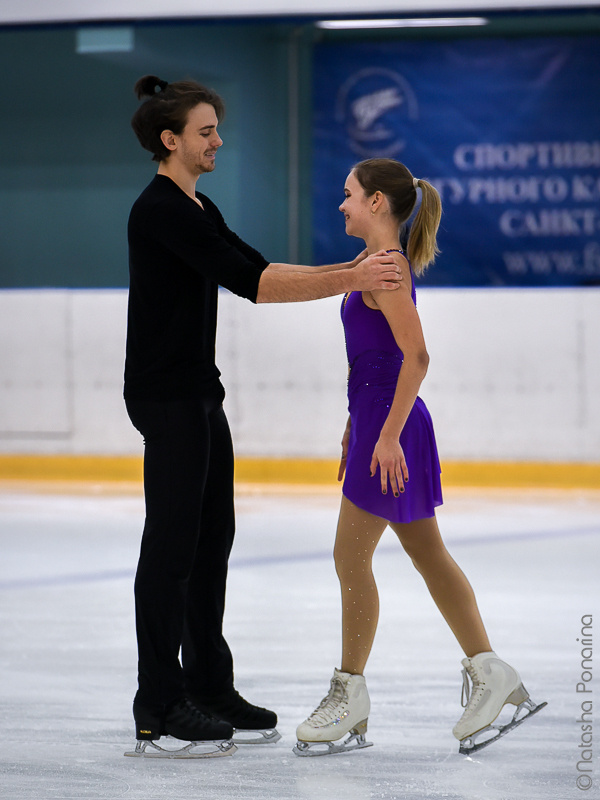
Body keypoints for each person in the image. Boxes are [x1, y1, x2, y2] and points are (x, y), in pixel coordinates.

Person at [123, 76, 402, 758]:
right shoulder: (160, 209)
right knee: (172, 547)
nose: (218, 140)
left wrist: (353, 265)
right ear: (171, 140)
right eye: (205, 131)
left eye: (217, 128)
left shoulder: (198, 205)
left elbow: (256, 262)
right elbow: (254, 286)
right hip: (165, 394)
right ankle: (158, 701)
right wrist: (353, 278)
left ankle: (209, 686)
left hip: (198, 391)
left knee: (212, 539)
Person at [293, 158, 546, 757]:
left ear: (378, 202)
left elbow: (417, 357)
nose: (342, 204)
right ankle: (491, 672)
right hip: (382, 425)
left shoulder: (386, 270)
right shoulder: (367, 264)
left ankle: (348, 693)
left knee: (350, 558)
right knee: (427, 553)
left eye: (349, 194)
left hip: (394, 429)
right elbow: (370, 360)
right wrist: (358, 429)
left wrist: (384, 437)